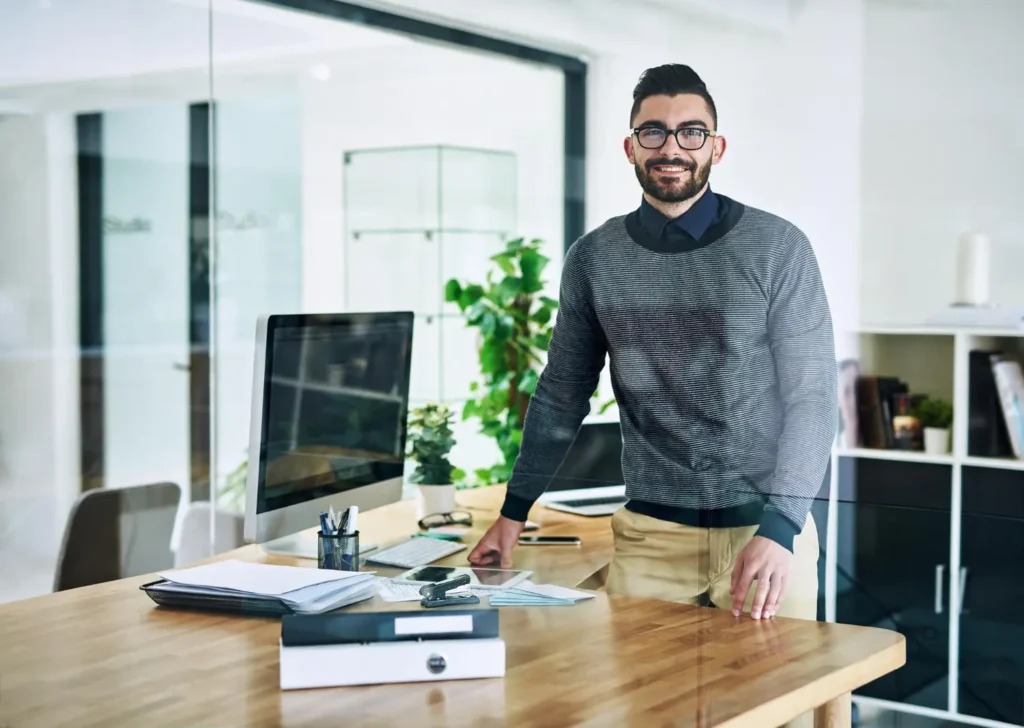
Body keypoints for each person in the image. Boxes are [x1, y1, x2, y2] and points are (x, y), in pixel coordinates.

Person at [468, 63, 837, 626]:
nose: (672, 147)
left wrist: (783, 526)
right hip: (650, 539)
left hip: (763, 538)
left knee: (779, 714)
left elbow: (813, 397)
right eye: (653, 132)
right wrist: (513, 512)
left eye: (691, 132)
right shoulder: (594, 258)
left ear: (716, 147)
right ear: (630, 146)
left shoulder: (778, 247)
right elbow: (563, 391)